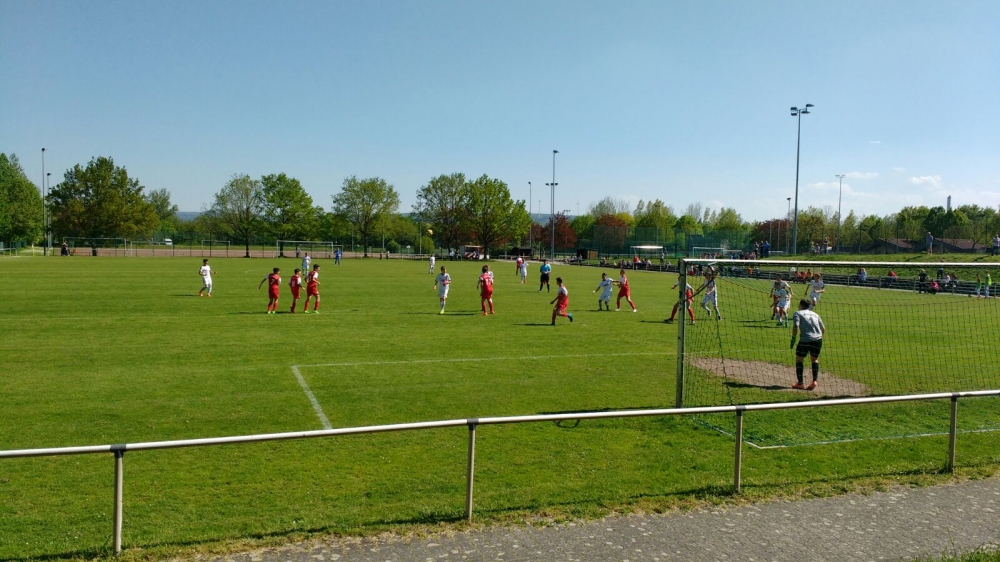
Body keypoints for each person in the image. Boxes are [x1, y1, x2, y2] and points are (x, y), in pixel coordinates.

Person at [790, 299, 825, 390]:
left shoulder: (797, 313)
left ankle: (800, 383)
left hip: (805, 340)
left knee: (799, 359)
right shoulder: (815, 314)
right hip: (818, 339)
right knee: (814, 359)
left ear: (801, 305)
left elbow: (796, 326)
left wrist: (793, 338)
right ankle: (814, 381)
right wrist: (818, 338)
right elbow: (823, 329)